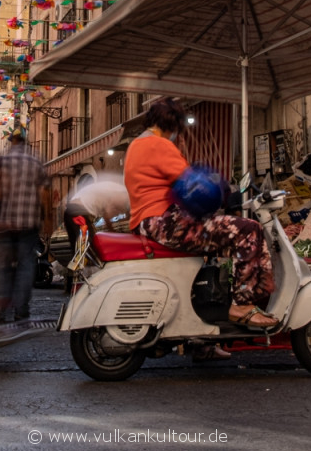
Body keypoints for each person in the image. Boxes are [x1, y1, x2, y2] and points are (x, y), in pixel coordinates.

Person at [125, 99, 277, 330]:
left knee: (213, 248)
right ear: (173, 125)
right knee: (247, 229)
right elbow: (192, 185)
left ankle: (202, 339)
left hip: (147, 223)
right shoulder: (159, 145)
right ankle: (244, 305)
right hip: (167, 222)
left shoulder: (136, 145)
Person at [0, 128, 47, 322]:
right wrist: (42, 216)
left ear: (11, 142)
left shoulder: (2, 161)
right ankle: (21, 310)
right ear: (25, 143)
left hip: (6, 220)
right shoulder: (36, 162)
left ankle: (0, 311)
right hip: (29, 220)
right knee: (26, 265)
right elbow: (42, 193)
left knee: (3, 266)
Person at [62, 175, 130, 250]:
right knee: (89, 246)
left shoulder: (117, 189)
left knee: (77, 248)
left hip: (69, 211)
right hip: (79, 212)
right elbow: (108, 214)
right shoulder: (122, 195)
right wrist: (113, 233)